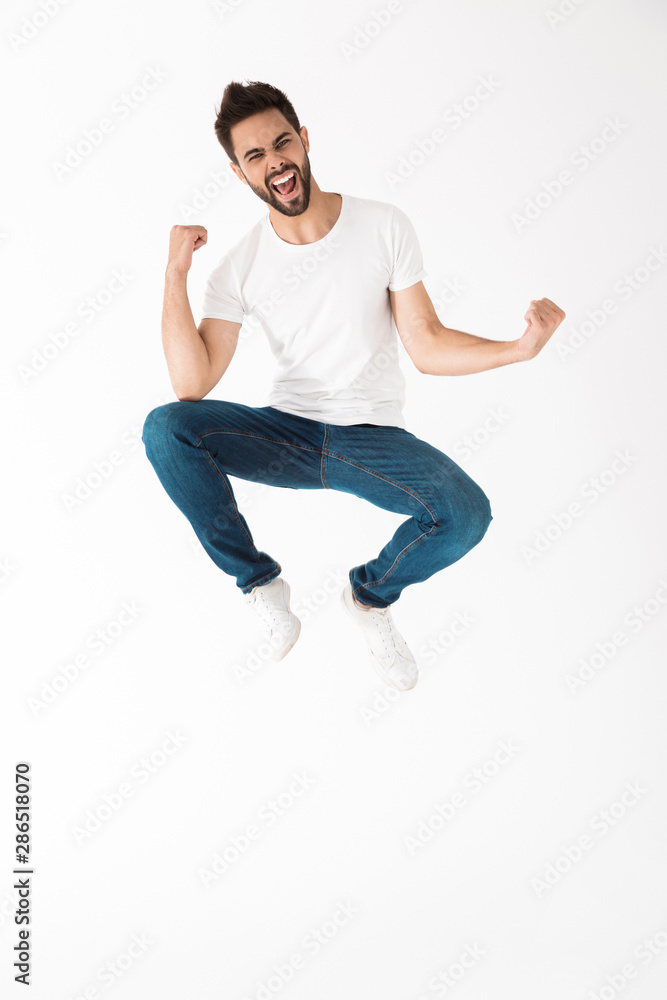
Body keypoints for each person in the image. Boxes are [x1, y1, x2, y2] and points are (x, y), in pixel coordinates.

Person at [142, 79, 565, 692]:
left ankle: (369, 597)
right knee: (166, 429)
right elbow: (192, 382)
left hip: (368, 437)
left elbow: (426, 344)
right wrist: (176, 272)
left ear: (305, 140)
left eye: (282, 143)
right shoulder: (239, 267)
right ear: (240, 174)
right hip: (286, 433)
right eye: (255, 156)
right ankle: (260, 585)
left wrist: (517, 349)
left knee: (466, 513)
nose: (275, 162)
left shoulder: (383, 226)